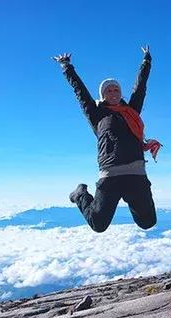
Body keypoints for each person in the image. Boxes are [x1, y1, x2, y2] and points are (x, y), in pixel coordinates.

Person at [53, 47, 161, 233]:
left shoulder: (132, 111)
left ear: (121, 92)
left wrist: (146, 62)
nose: (113, 92)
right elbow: (81, 93)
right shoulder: (97, 114)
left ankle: (134, 202)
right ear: (103, 95)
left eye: (116, 89)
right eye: (108, 90)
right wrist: (67, 67)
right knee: (98, 224)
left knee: (148, 222)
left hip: (136, 174)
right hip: (110, 175)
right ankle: (80, 195)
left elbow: (140, 87)